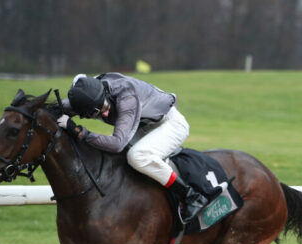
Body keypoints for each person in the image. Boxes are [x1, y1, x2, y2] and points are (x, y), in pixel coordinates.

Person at [58, 72, 219, 223]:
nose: (105, 115)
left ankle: (191, 196)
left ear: (105, 94)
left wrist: (80, 132)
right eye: (98, 114)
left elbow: (117, 144)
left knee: (137, 156)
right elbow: (60, 106)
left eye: (105, 108)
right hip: (143, 126)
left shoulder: (126, 97)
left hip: (171, 124)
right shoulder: (90, 92)